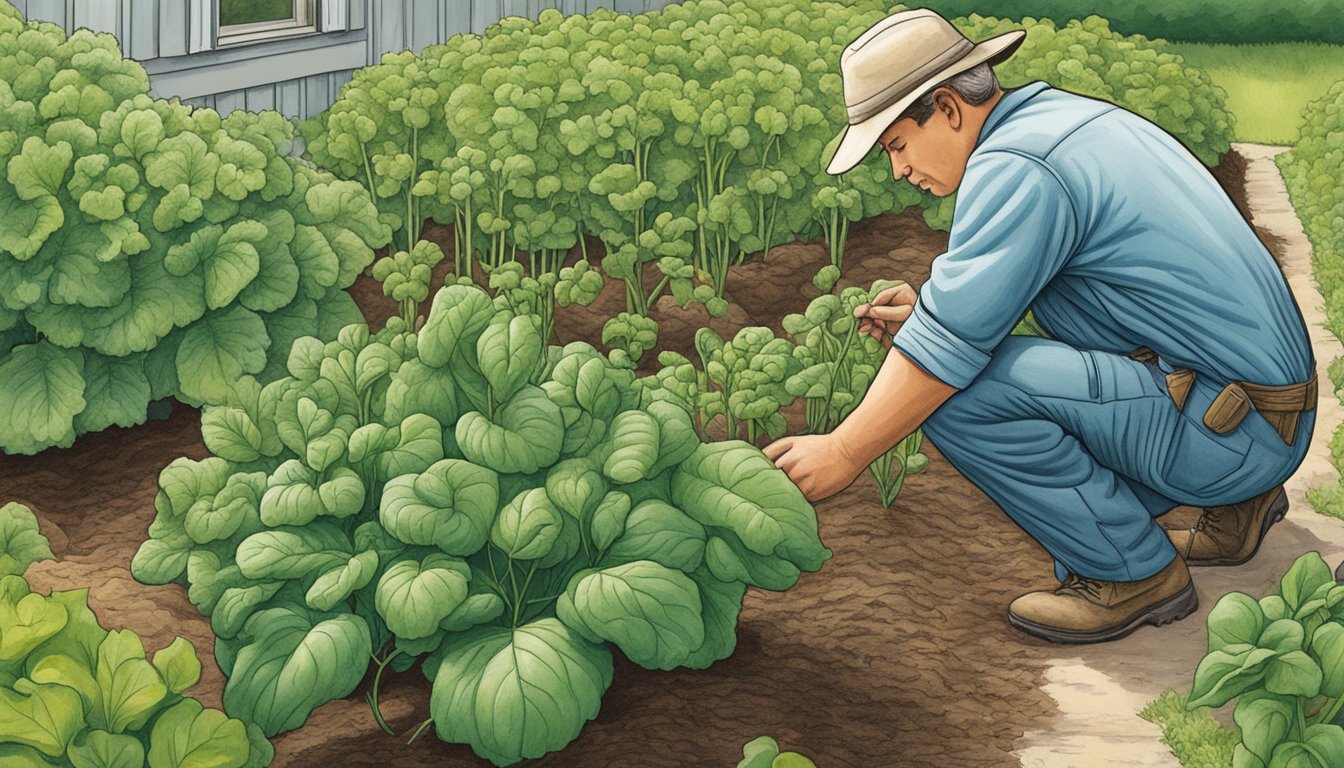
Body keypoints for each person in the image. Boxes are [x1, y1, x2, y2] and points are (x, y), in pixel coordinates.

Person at [762, 8, 1317, 644]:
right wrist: (932, 320)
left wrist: (844, 449)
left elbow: (945, 357)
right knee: (973, 363)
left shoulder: (1019, 165)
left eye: (896, 145)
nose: (898, 170)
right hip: (1263, 410)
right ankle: (1238, 508)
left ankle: (1130, 573)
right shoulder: (1062, 120)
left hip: (1231, 431)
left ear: (946, 107)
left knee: (957, 397)